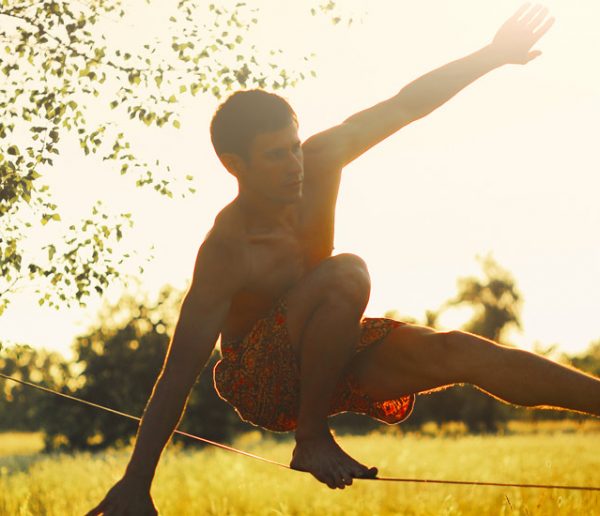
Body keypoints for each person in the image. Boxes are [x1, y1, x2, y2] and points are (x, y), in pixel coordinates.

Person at [88, 5, 600, 513]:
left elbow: (406, 104)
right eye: (275, 155)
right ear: (233, 164)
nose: (295, 166)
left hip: (326, 350)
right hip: (261, 381)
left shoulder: (321, 160)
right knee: (347, 272)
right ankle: (311, 436)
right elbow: (177, 374)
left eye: (294, 147)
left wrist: (490, 55)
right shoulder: (227, 250)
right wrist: (136, 482)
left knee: (458, 351)